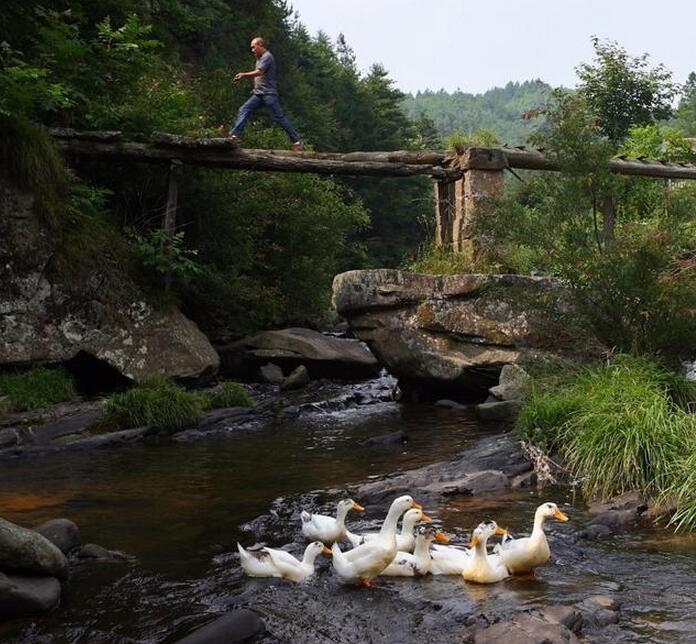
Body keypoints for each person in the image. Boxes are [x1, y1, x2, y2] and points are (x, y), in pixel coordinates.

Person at [227, 37, 303, 151]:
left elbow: (259, 72)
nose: (252, 50)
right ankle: (234, 135)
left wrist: (243, 75)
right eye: (251, 48)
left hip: (268, 94)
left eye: (254, 47)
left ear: (261, 45)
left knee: (279, 118)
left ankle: (296, 141)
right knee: (243, 109)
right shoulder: (260, 58)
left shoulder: (267, 57)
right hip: (258, 94)